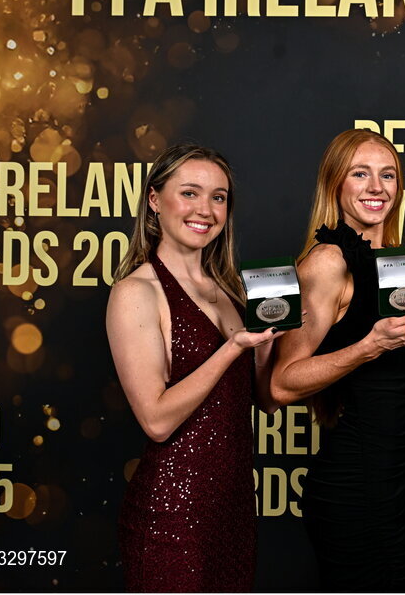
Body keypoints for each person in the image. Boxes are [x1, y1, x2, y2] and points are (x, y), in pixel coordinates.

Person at [107, 143, 282, 592]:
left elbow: (263, 401)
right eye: (189, 193)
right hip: (173, 517)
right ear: (153, 199)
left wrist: (265, 349)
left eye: (219, 197)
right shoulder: (136, 292)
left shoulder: (231, 290)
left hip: (234, 512)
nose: (205, 209)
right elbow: (156, 420)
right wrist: (230, 350)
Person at [269, 128, 405, 591]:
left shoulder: (401, 264)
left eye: (388, 175)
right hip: (356, 484)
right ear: (335, 183)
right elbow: (281, 383)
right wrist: (368, 346)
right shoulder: (327, 263)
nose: (377, 188)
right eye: (361, 174)